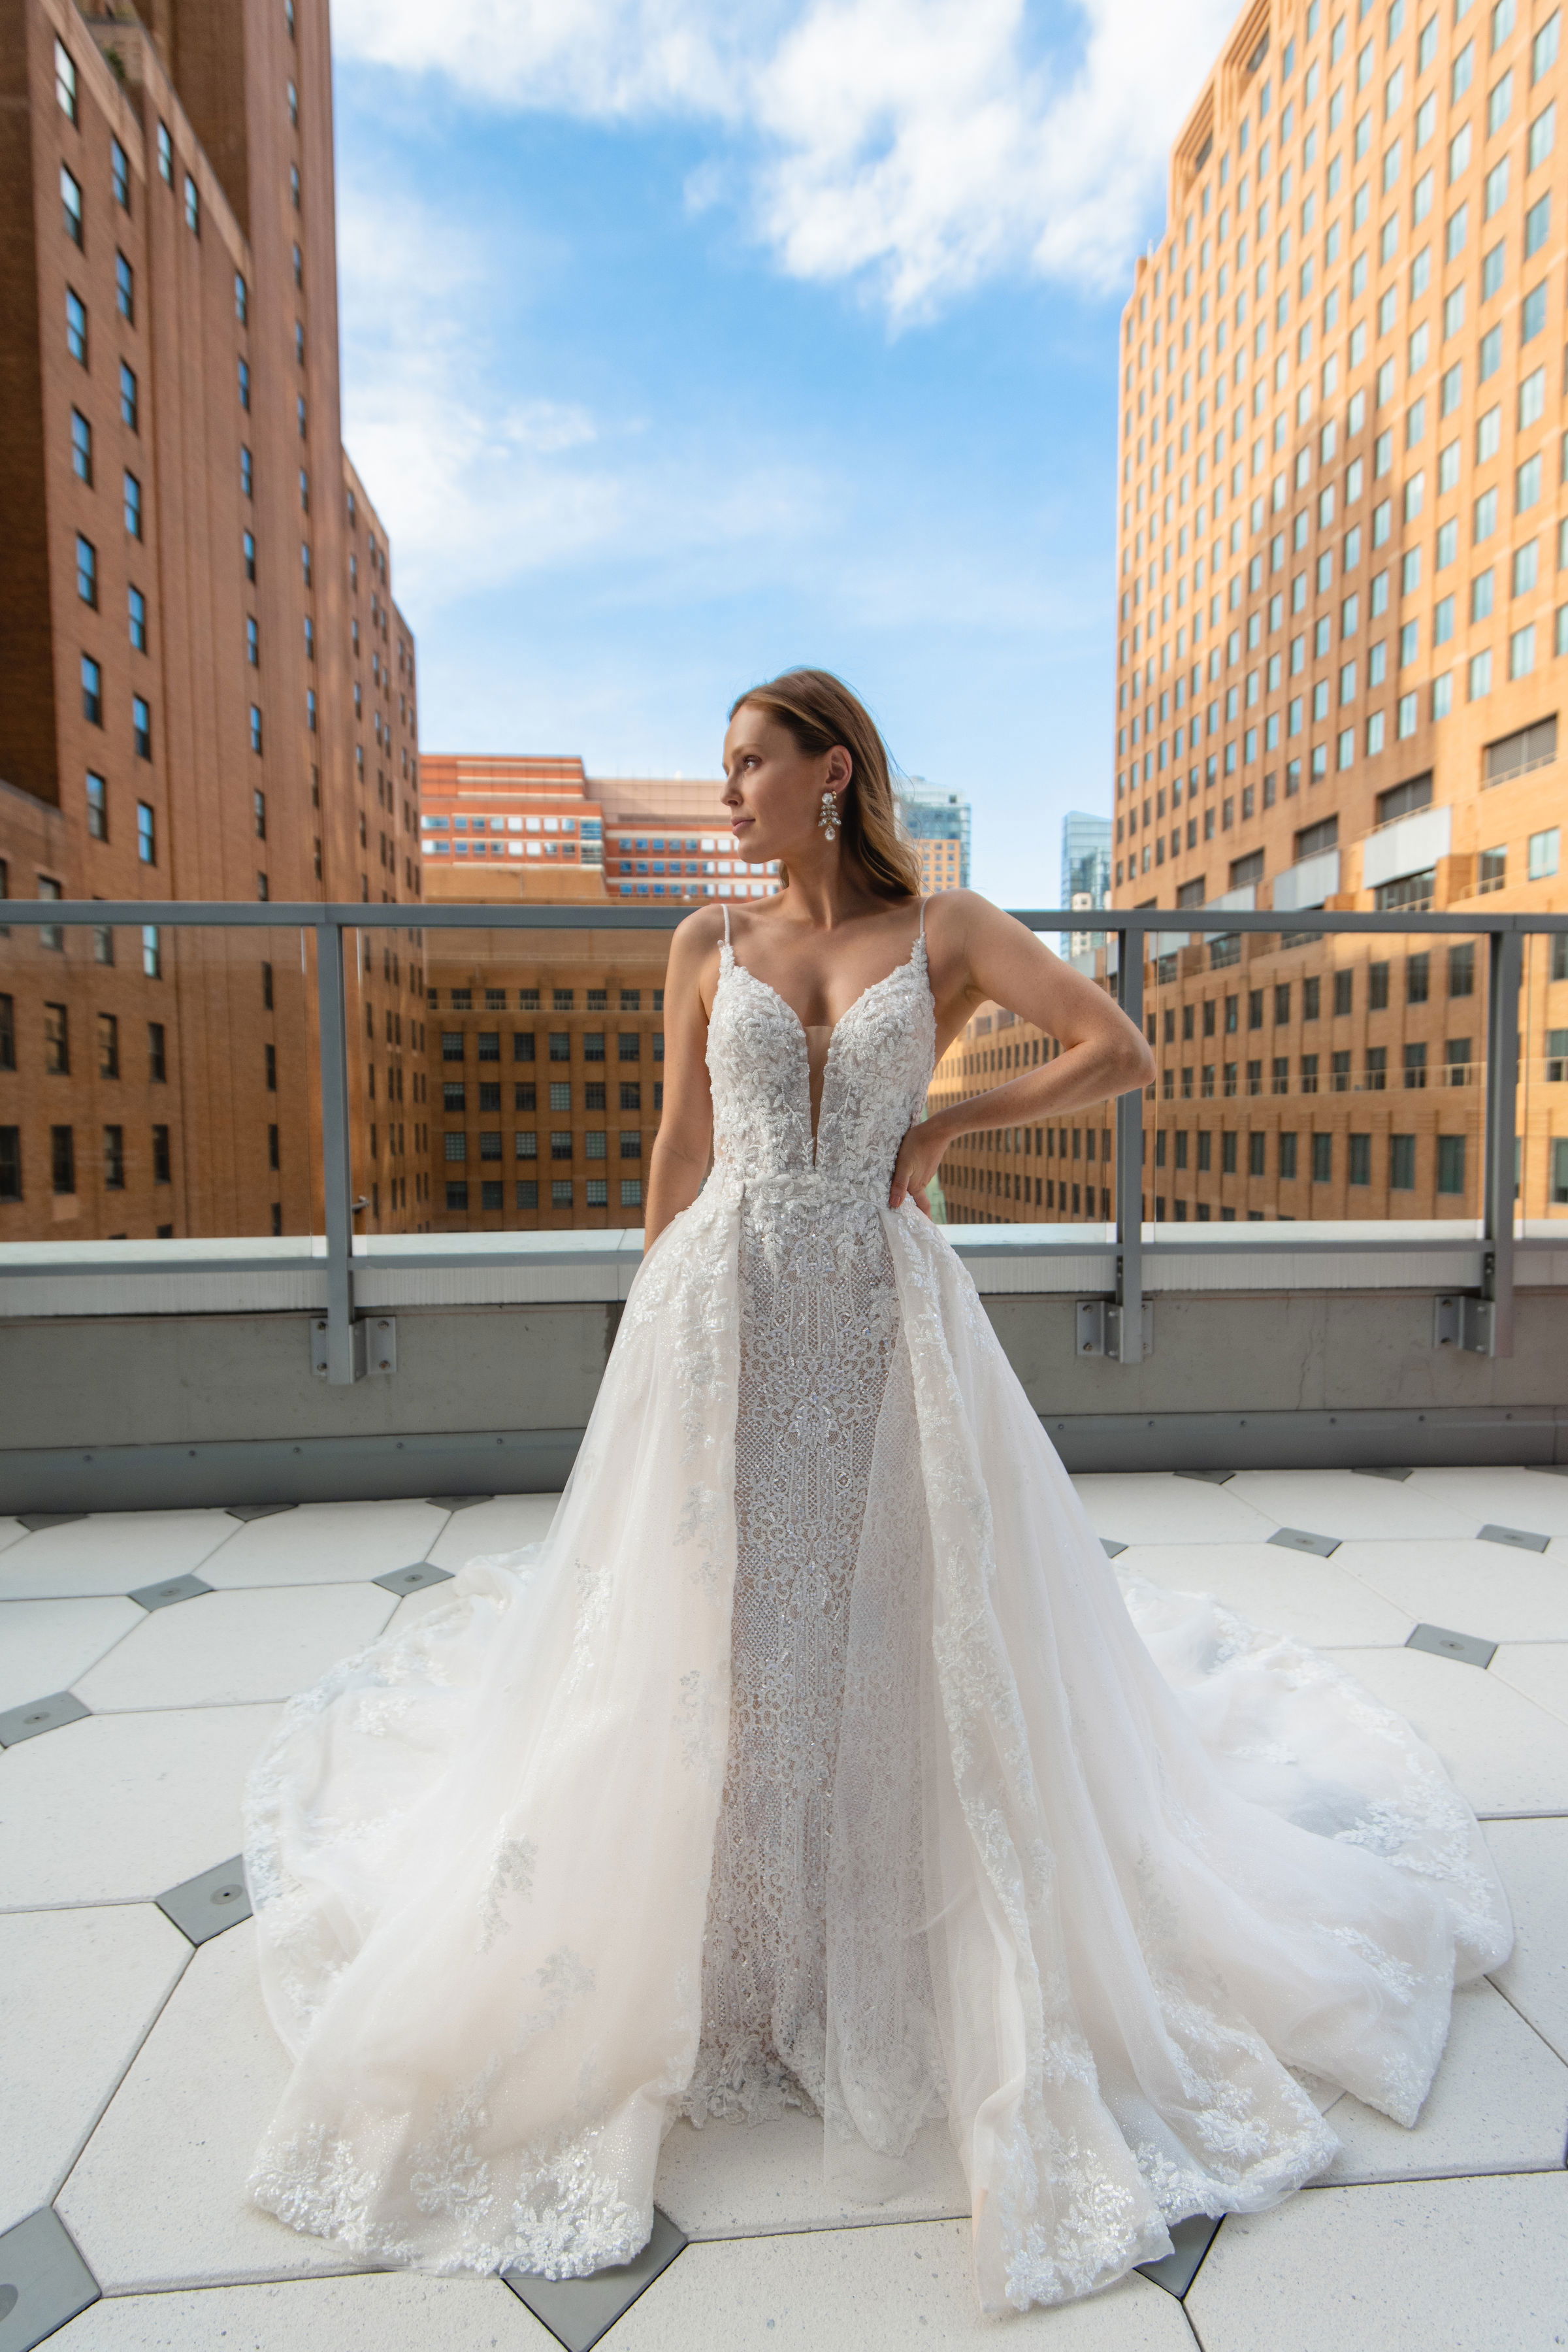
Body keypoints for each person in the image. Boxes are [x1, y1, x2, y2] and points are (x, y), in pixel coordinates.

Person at [242, 668, 1511, 2317]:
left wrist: (954, 1122)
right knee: (728, 1616)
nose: (727, 797)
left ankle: (888, 1925)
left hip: (887, 1316)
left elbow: (1118, 1051)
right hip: (727, 1318)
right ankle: (738, 1940)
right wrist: (644, 1346)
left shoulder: (954, 929)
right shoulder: (706, 947)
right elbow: (678, 1149)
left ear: (830, 772)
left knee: (900, 1608)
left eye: (750, 766)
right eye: (720, 772)